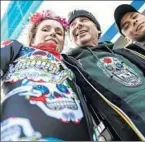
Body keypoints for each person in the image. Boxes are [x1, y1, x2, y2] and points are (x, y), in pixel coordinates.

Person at [66, 9, 145, 141]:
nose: (78, 25)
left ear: (98, 30)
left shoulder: (127, 52)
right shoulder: (72, 69)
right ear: (72, 38)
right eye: (72, 25)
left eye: (84, 20)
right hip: (143, 134)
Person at [0, 10, 94, 141]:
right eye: (45, 29)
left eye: (59, 32)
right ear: (33, 38)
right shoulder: (16, 48)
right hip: (23, 128)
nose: (52, 33)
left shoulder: (73, 66)